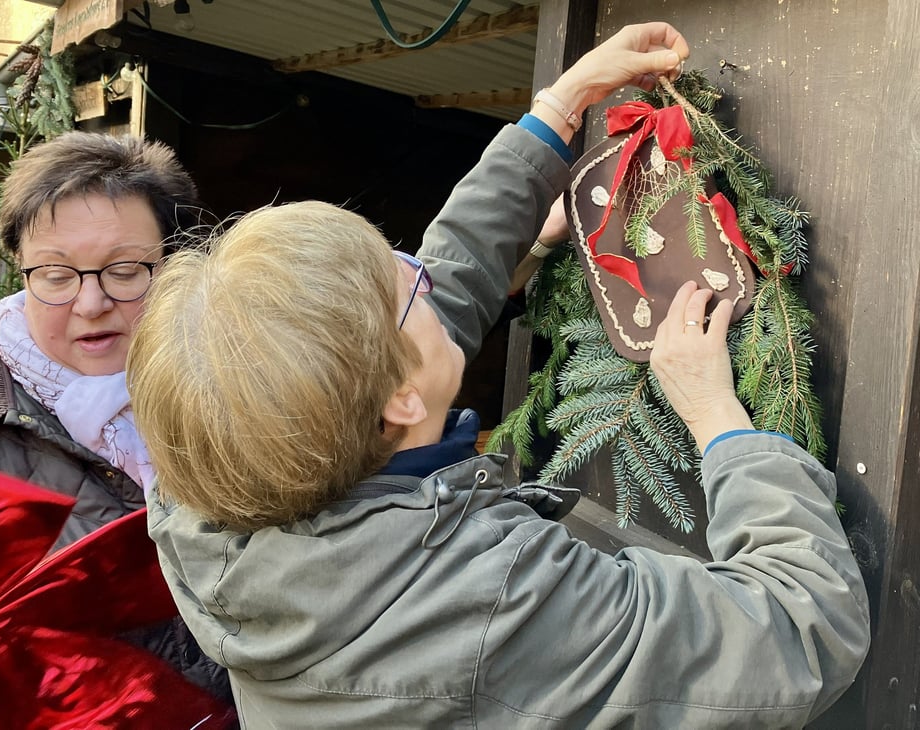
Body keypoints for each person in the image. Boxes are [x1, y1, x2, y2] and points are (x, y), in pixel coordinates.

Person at [130, 22, 869, 728]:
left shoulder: (219, 481)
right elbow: (802, 628)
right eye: (405, 286)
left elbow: (436, 292)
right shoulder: (487, 604)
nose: (425, 274)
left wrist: (557, 109)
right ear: (398, 396)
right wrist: (718, 421)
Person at [0, 132, 231, 724]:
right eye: (55, 275)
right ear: (20, 273)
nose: (91, 301)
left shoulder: (244, 395)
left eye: (125, 270)